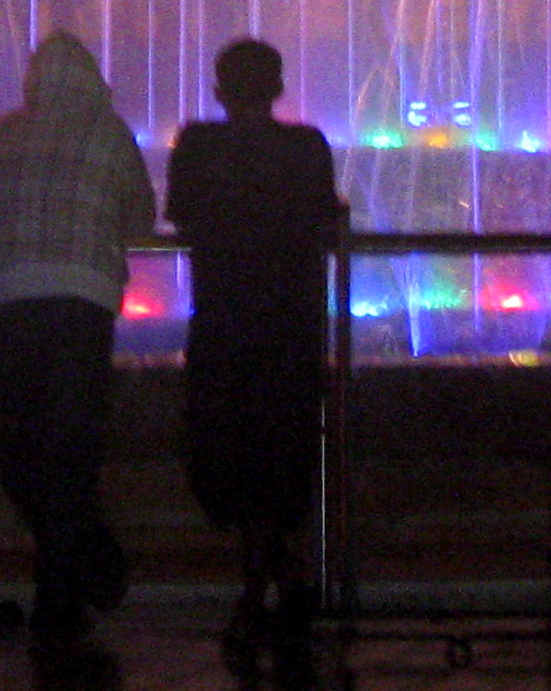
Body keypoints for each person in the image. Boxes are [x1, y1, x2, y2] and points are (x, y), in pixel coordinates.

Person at [0, 31, 154, 644]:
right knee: (68, 449)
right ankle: (79, 571)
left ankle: (68, 586)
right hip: (80, 305)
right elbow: (141, 219)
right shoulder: (110, 135)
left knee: (7, 440)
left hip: (7, 301)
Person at [166, 35, 342, 665]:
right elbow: (328, 218)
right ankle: (284, 579)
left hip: (224, 323)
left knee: (233, 452)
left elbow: (181, 216)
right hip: (290, 327)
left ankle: (259, 590)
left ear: (218, 90)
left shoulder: (198, 145)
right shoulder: (306, 147)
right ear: (278, 88)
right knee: (283, 451)